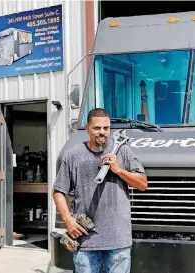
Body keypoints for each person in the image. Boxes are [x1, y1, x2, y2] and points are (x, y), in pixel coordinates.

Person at [52, 108, 148, 273]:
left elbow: (142, 184)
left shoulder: (122, 151)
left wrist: (118, 170)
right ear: (87, 128)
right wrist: (68, 220)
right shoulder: (73, 156)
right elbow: (58, 191)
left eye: (106, 128)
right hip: (86, 242)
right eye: (97, 128)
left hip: (118, 241)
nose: (102, 132)